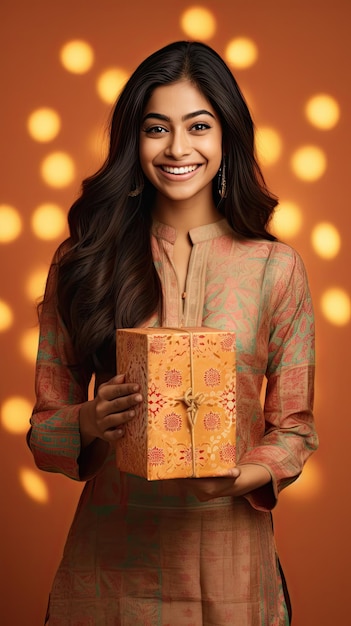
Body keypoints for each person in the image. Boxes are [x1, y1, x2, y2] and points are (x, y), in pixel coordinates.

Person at [28, 40, 318, 625]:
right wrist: (88, 420)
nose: (178, 148)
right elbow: (41, 430)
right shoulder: (84, 261)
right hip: (109, 573)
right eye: (157, 128)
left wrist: (244, 476)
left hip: (235, 572)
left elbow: (294, 430)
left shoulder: (273, 268)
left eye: (199, 126)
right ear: (133, 142)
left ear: (227, 138)